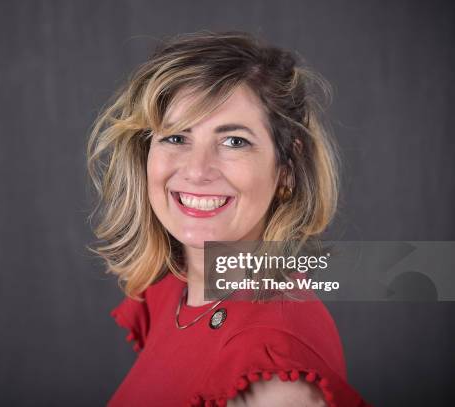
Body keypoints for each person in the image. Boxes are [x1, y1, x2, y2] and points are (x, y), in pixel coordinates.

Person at [86, 30, 370, 407]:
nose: (197, 170)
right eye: (175, 137)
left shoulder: (273, 369)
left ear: (286, 167)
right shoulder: (174, 292)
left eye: (234, 141)